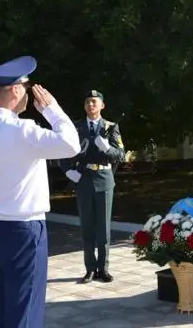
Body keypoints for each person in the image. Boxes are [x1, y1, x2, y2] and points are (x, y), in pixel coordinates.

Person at [0, 56, 81, 327]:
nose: (30, 93)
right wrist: (52, 110)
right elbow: (71, 144)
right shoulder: (23, 130)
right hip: (22, 231)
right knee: (24, 311)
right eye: (26, 86)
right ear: (15, 90)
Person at [61, 90, 125, 284]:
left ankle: (103, 269)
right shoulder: (77, 127)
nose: (91, 105)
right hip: (84, 179)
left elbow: (121, 155)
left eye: (95, 102)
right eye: (88, 102)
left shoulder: (111, 127)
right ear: (84, 105)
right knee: (87, 227)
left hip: (104, 177)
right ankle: (89, 268)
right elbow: (64, 150)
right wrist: (68, 171)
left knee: (103, 228)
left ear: (102, 106)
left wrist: (108, 148)